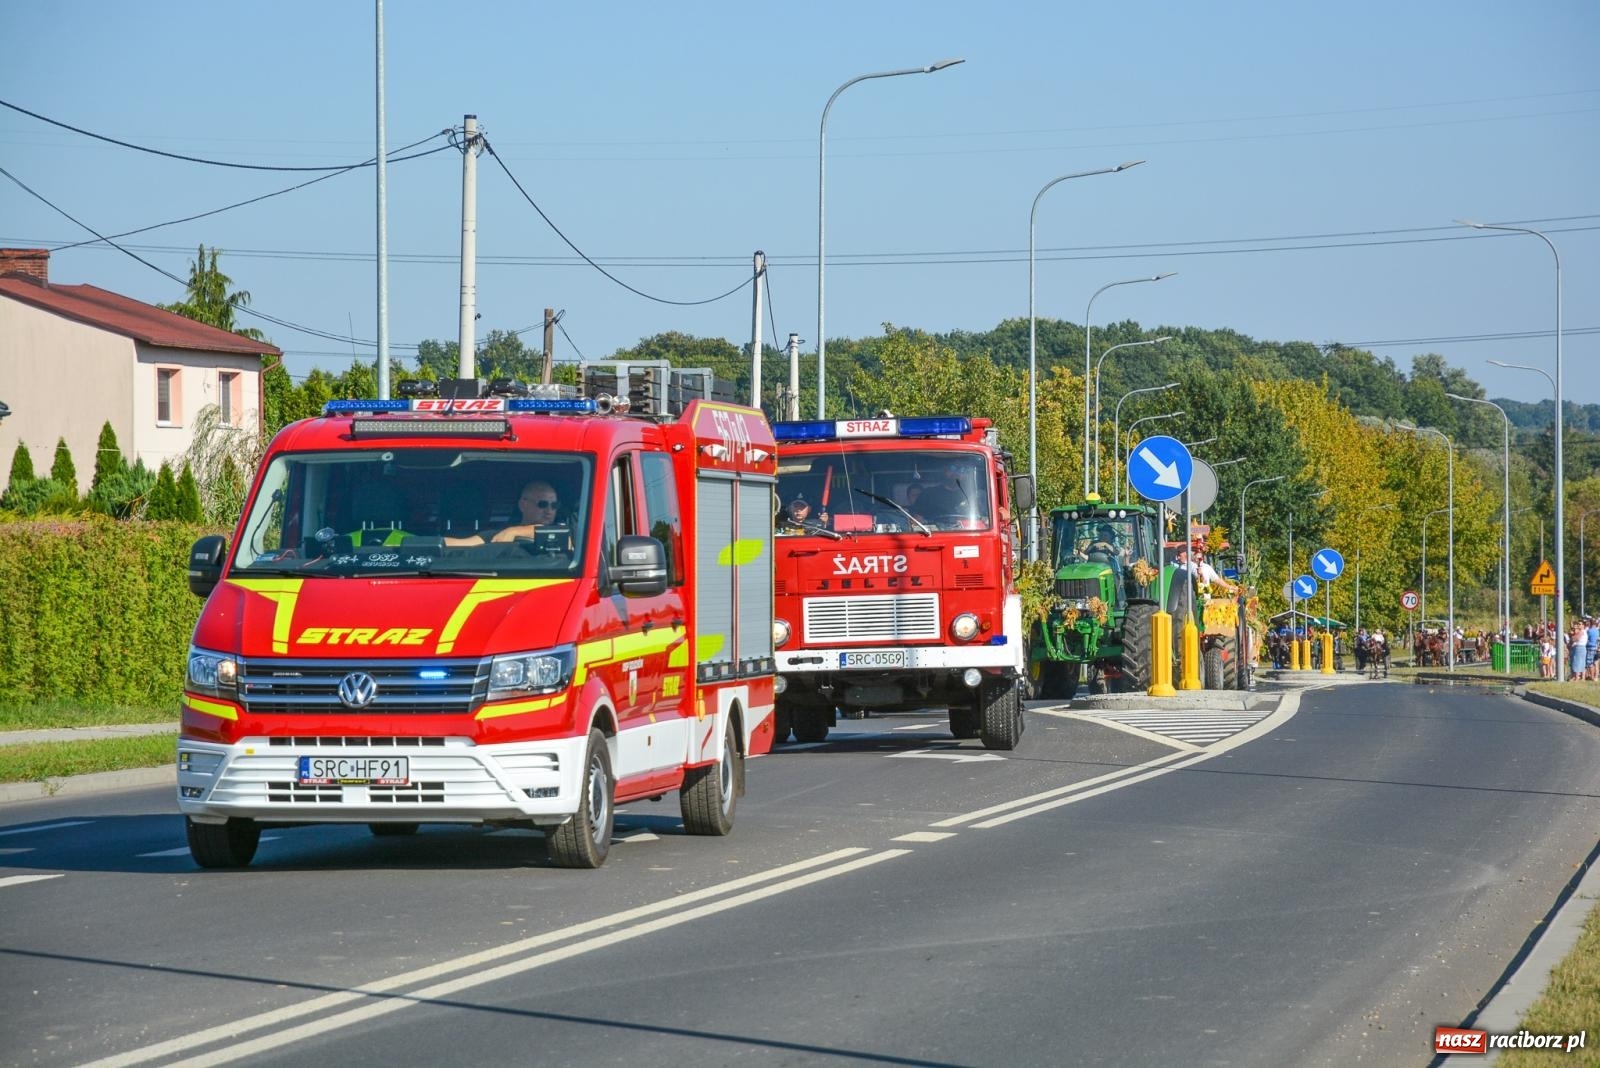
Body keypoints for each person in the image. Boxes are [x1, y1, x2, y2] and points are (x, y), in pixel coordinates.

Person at [447, 479, 562, 546]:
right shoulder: (499, 535)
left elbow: (564, 539)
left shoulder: (567, 535)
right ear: (523, 505)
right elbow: (462, 545)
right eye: (543, 504)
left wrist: (514, 531)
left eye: (554, 505)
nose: (549, 511)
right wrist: (432, 543)